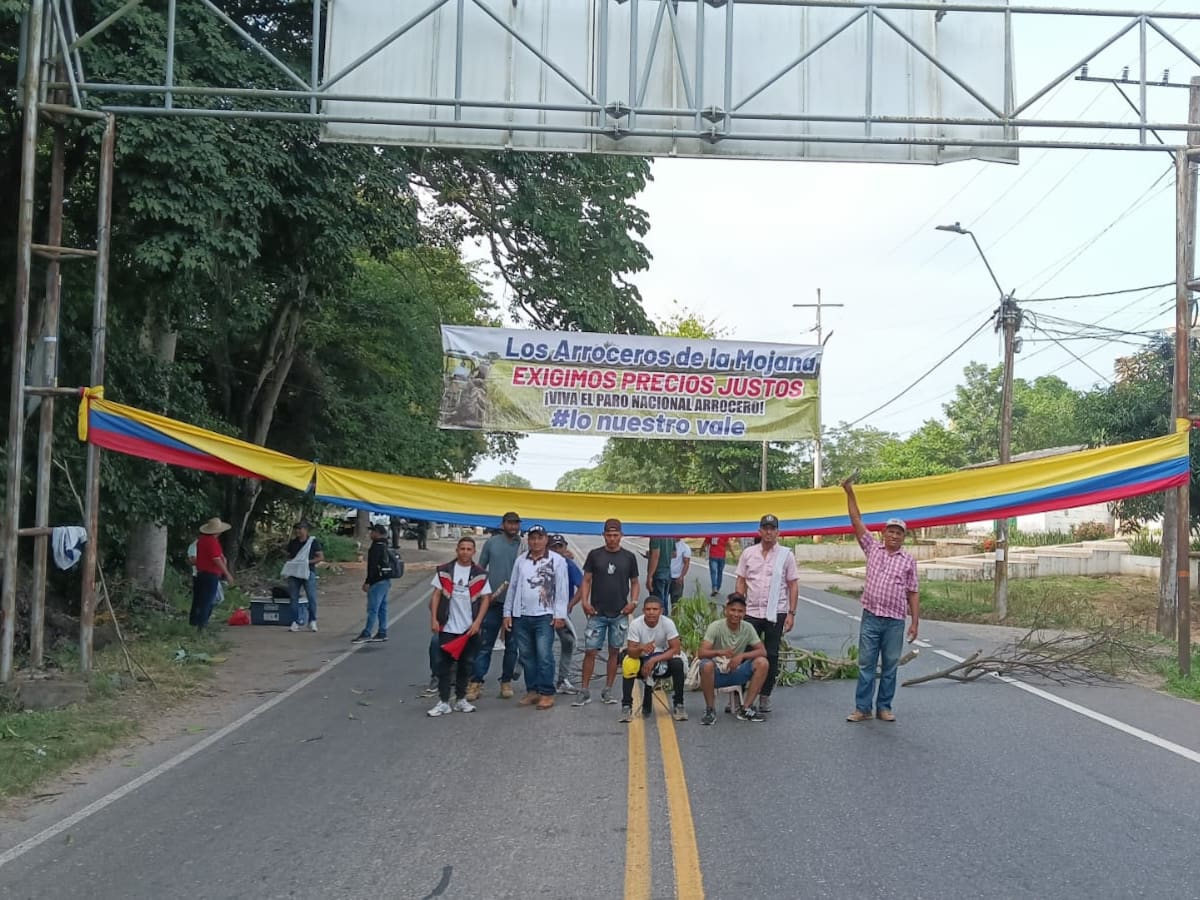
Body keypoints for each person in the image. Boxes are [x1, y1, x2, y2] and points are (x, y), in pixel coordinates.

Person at [842, 478, 920, 723]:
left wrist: (915, 622)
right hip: (871, 617)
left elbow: (913, 592)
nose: (894, 536)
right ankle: (862, 708)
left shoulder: (908, 561)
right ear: (883, 533)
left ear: (903, 537)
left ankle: (884, 707)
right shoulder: (872, 549)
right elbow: (856, 520)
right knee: (866, 665)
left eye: (899, 533)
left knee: (889, 666)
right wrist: (849, 491)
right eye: (891, 531)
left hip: (895, 621)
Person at [734, 514, 799, 716]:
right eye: (765, 528)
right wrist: (738, 606)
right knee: (744, 652)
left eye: (772, 528)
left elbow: (793, 584)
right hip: (752, 611)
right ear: (760, 531)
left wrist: (791, 613)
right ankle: (740, 695)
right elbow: (741, 580)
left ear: (778, 532)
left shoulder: (786, 555)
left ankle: (764, 696)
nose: (769, 532)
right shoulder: (748, 554)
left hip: (775, 612)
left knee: (771, 654)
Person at [572, 518, 640, 707]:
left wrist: (633, 603)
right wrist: (584, 602)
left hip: (619, 613)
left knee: (614, 652)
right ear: (603, 535)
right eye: (609, 535)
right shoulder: (595, 555)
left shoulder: (629, 557)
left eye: (615, 535)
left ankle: (608, 690)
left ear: (621, 536)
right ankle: (584, 690)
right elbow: (586, 580)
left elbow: (634, 582)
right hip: (597, 613)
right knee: (590, 651)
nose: (612, 539)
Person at [503, 525, 569, 710]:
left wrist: (560, 615)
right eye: (532, 538)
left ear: (546, 539)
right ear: (528, 540)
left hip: (545, 616)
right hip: (522, 615)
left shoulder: (556, 561)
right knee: (526, 655)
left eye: (539, 538)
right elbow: (513, 587)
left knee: (544, 655)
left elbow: (562, 589)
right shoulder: (521, 561)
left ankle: (547, 692)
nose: (536, 541)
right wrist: (507, 613)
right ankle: (532, 690)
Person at [427, 536, 493, 717]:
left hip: (469, 629)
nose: (465, 552)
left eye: (468, 549)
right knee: (443, 665)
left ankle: (461, 699)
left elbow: (485, 598)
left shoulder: (479, 574)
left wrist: (478, 622)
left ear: (474, 552)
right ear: (457, 550)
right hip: (447, 627)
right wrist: (434, 619)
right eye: (462, 548)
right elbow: (436, 595)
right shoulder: (445, 571)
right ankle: (443, 701)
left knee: (466, 665)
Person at [468, 512, 524, 701]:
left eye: (516, 523)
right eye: (510, 523)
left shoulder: (523, 545)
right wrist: (481, 595)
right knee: (485, 644)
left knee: (512, 646)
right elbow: (480, 570)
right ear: (503, 524)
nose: (513, 527)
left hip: (516, 605)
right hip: (492, 603)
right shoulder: (492, 543)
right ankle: (476, 682)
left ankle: (506, 681)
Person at [696, 593, 769, 726]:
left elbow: (762, 651)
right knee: (705, 665)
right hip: (716, 673)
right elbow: (701, 653)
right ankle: (710, 710)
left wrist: (741, 656)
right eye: (733, 610)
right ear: (726, 610)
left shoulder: (748, 627)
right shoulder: (716, 626)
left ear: (744, 613)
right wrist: (719, 652)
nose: (736, 614)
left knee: (762, 663)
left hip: (736, 670)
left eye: (740, 611)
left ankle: (746, 708)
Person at [618, 597, 686, 723]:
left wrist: (654, 660)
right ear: (643, 610)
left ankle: (679, 704)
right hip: (641, 659)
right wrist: (641, 648)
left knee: (678, 663)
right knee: (628, 663)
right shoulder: (636, 624)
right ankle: (626, 706)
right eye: (648, 609)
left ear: (661, 611)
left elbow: (675, 649)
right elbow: (631, 651)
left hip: (662, 659)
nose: (651, 612)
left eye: (655, 609)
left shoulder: (668, 623)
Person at [549, 534, 584, 693]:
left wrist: (571, 604)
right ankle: (536, 677)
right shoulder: (543, 563)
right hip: (543, 611)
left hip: (561, 612)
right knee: (541, 644)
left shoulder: (569, 565)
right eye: (553, 547)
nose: (557, 550)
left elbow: (582, 586)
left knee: (568, 641)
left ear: (565, 547)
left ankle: (561, 679)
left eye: (559, 546)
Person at [191, 517, 234, 632]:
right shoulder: (212, 542)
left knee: (201, 599)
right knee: (208, 600)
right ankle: (202, 626)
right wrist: (227, 573)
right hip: (210, 574)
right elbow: (217, 559)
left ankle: (197, 623)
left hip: (201, 573)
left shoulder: (202, 540)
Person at [353, 522, 393, 644]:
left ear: (378, 533)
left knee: (373, 608)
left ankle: (367, 632)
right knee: (382, 607)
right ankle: (382, 631)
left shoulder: (376, 547)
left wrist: (368, 582)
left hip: (377, 581)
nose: (371, 533)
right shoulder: (386, 546)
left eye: (373, 531)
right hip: (386, 580)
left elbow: (372, 567)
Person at [282, 521, 324, 633]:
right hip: (294, 573)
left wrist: (307, 562)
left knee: (311, 598)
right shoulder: (292, 543)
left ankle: (312, 620)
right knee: (294, 598)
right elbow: (288, 557)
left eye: (300, 529)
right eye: (296, 529)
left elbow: (320, 557)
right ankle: (295, 621)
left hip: (308, 572)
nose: (298, 531)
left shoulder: (313, 542)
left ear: (305, 530)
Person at [645, 535, 674, 610]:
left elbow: (655, 555)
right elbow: (674, 553)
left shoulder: (655, 536)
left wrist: (649, 576)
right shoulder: (670, 536)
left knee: (657, 603)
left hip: (658, 572)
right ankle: (664, 618)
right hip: (667, 571)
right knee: (664, 601)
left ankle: (660, 620)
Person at [667, 537, 692, 614]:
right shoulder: (666, 544)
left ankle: (675, 621)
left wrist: (681, 576)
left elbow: (686, 563)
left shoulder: (685, 547)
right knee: (661, 601)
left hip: (677, 578)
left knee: (676, 603)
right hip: (665, 577)